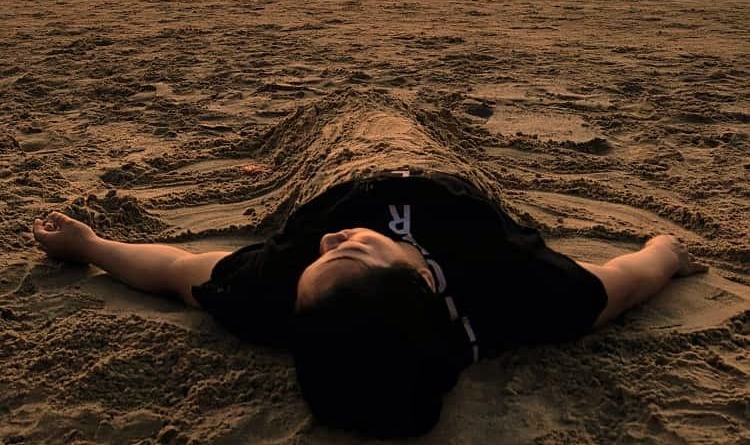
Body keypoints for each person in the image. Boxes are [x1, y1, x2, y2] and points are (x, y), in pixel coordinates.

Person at [32, 112, 705, 439]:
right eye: (353, 251)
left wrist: (91, 245)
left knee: (356, 119)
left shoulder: (277, 290)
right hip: (446, 174)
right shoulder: (520, 290)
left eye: (323, 259)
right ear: (426, 281)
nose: (332, 238)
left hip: (339, 166)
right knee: (399, 121)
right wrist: (667, 251)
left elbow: (178, 270)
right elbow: (625, 279)